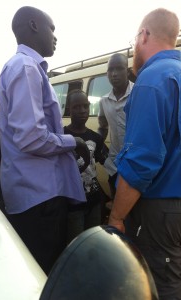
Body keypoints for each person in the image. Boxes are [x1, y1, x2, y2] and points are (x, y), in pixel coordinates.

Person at [0, 6, 90, 275]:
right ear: (34, 25)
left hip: (35, 197)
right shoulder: (26, 67)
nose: (55, 36)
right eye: (52, 28)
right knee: (45, 273)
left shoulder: (25, 68)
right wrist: (74, 142)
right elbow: (32, 137)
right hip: (39, 200)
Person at [108, 8, 181, 299]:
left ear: (144, 35)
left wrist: (116, 216)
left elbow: (141, 163)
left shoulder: (152, 80)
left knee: (162, 285)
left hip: (161, 208)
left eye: (135, 38)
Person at [64, 90, 107, 243]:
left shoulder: (95, 138)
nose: (82, 111)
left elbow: (105, 160)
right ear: (69, 109)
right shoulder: (62, 137)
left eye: (85, 106)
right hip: (73, 202)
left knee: (92, 241)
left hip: (94, 199)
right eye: (76, 107)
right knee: (76, 243)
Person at [98, 53, 134, 199]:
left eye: (119, 69)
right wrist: (96, 143)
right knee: (116, 202)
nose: (114, 74)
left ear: (128, 71)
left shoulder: (139, 93)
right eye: (110, 70)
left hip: (136, 162)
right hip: (115, 163)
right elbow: (102, 126)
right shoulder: (104, 101)